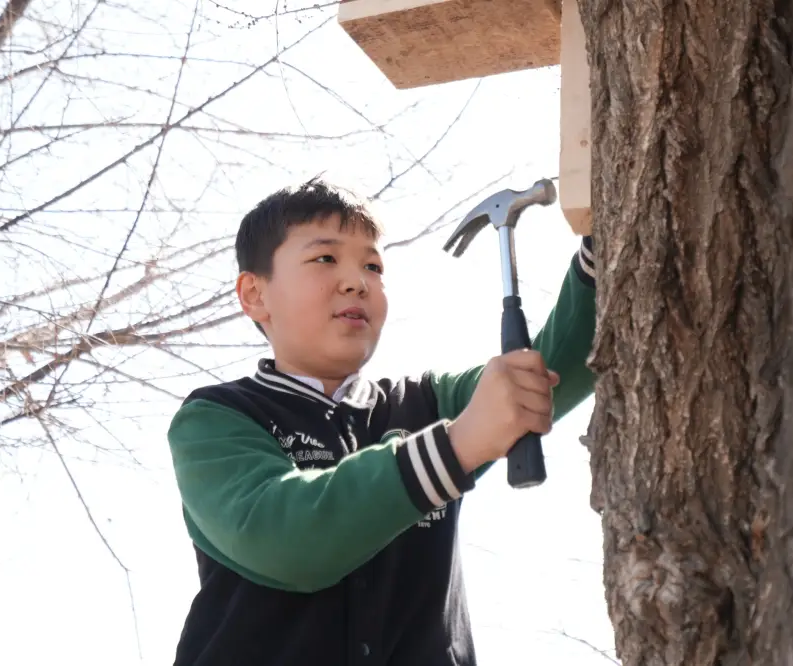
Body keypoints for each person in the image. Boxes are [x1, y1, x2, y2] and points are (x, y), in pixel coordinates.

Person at [166, 178, 598, 666]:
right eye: (325, 258)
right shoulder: (214, 420)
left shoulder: (428, 404)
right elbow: (284, 540)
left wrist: (602, 251)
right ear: (255, 294)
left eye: (373, 265)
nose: (358, 281)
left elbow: (548, 374)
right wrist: (456, 447)